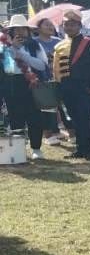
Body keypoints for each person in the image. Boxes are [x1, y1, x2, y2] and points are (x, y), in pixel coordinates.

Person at [52, 10, 90, 161]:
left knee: (86, 118)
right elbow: (56, 70)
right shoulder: (59, 46)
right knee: (74, 119)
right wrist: (57, 88)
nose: (69, 27)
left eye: (73, 24)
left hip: (85, 87)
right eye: (66, 24)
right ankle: (80, 148)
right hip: (66, 87)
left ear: (80, 26)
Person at [3, 17, 48, 161]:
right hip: (12, 83)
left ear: (28, 30)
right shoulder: (4, 46)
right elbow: (7, 68)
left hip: (32, 83)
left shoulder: (34, 45)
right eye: (16, 29)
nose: (20, 32)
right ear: (11, 31)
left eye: (23, 28)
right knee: (15, 116)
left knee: (34, 115)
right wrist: (12, 48)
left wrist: (23, 54)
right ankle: (18, 148)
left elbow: (42, 65)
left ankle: (36, 148)